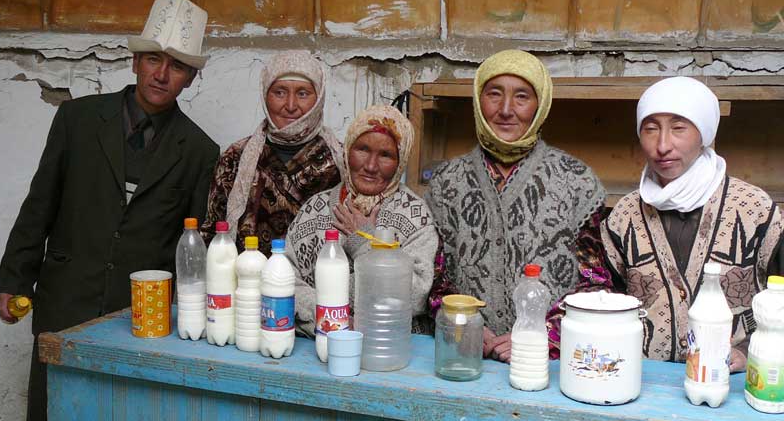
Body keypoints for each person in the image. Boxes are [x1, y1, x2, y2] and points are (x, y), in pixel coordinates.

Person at [0, 0, 219, 421]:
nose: (163, 75)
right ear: (135, 61)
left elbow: (191, 253)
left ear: (190, 78)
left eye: (178, 67)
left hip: (138, 318)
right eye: (154, 60)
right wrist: (14, 279)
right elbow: (40, 204)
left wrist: (185, 319)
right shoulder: (76, 120)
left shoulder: (201, 151)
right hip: (64, 302)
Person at [426, 50, 607, 363]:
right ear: (478, 100)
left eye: (522, 96)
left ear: (541, 105)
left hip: (546, 364)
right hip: (465, 356)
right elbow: (434, 278)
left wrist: (545, 335)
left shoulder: (577, 180)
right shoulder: (447, 182)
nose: (506, 110)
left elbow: (596, 284)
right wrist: (462, 323)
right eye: (494, 94)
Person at [600, 76, 784, 370]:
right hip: (643, 379)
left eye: (678, 128)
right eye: (650, 129)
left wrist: (749, 350)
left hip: (732, 381)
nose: (662, 145)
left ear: (705, 134)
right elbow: (607, 302)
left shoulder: (754, 210)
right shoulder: (623, 217)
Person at [286, 104, 440, 335]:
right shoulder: (314, 210)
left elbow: (417, 295)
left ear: (400, 162)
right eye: (362, 149)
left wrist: (364, 240)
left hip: (390, 350)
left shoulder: (414, 215)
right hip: (317, 343)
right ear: (348, 150)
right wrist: (332, 317)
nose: (370, 166)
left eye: (386, 155)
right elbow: (285, 279)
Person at [201, 51, 343, 255]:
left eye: (302, 93)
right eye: (280, 92)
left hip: (322, 282)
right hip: (248, 281)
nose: (291, 106)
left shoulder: (341, 160)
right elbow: (213, 233)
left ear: (319, 98)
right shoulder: (236, 157)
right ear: (265, 95)